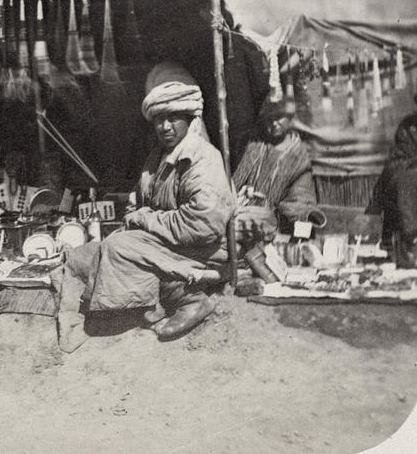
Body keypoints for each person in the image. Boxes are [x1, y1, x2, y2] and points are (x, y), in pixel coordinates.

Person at [52, 80, 234, 352]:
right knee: (82, 256)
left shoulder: (203, 159)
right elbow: (137, 203)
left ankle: (189, 299)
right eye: (159, 120)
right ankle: (105, 312)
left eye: (173, 118)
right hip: (163, 241)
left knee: (117, 247)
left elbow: (203, 224)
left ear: (190, 119)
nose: (165, 127)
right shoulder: (157, 157)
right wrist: (137, 218)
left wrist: (146, 220)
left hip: (199, 249)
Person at [231, 97, 321, 253]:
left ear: (291, 118)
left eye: (279, 118)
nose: (273, 124)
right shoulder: (252, 145)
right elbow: (231, 183)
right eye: (269, 119)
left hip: (271, 232)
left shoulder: (297, 158)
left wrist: (303, 217)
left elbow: (301, 198)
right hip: (239, 223)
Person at [370, 95, 417, 267]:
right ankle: (409, 241)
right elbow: (397, 160)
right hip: (411, 180)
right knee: (406, 179)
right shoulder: (408, 127)